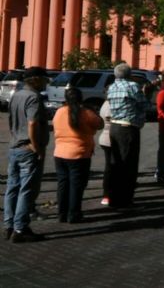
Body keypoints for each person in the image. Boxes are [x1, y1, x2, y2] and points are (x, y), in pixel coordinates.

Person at [4, 67, 49, 243]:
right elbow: (32, 123)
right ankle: (20, 228)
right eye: (44, 79)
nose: (46, 83)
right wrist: (36, 147)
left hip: (15, 146)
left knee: (12, 188)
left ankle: (9, 226)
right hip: (27, 149)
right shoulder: (33, 97)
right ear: (36, 80)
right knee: (26, 190)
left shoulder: (16, 95)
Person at [53, 88, 104, 223]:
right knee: (77, 186)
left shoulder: (59, 111)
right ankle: (74, 214)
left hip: (60, 153)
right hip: (79, 153)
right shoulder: (86, 113)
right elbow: (100, 124)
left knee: (63, 184)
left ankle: (62, 213)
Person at [106, 63, 149, 208]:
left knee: (115, 162)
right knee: (128, 164)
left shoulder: (111, 87)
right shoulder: (133, 86)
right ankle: (125, 199)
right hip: (128, 127)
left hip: (114, 127)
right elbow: (144, 105)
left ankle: (113, 197)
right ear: (129, 74)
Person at [98, 99, 113, 205]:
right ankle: (107, 194)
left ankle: (108, 194)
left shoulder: (105, 103)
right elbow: (109, 116)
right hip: (109, 139)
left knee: (110, 167)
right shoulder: (108, 105)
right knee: (110, 167)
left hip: (106, 138)